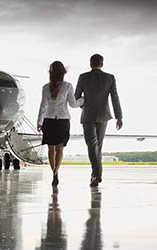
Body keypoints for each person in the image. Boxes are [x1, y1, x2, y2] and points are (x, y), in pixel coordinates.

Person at [75, 54, 123, 187]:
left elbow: (76, 97)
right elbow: (115, 98)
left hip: (88, 116)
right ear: (102, 64)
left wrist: (86, 106)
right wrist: (119, 117)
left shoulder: (83, 77)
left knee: (92, 145)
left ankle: (96, 174)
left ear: (90, 64)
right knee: (98, 146)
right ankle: (96, 174)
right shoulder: (110, 78)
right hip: (104, 115)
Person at [37, 61, 84, 187]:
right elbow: (74, 104)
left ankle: (54, 172)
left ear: (50, 74)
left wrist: (39, 122)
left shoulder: (45, 88)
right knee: (60, 148)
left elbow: (43, 106)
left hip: (48, 120)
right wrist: (83, 99)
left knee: (51, 149)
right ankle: (57, 169)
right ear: (63, 73)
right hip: (63, 120)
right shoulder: (68, 86)